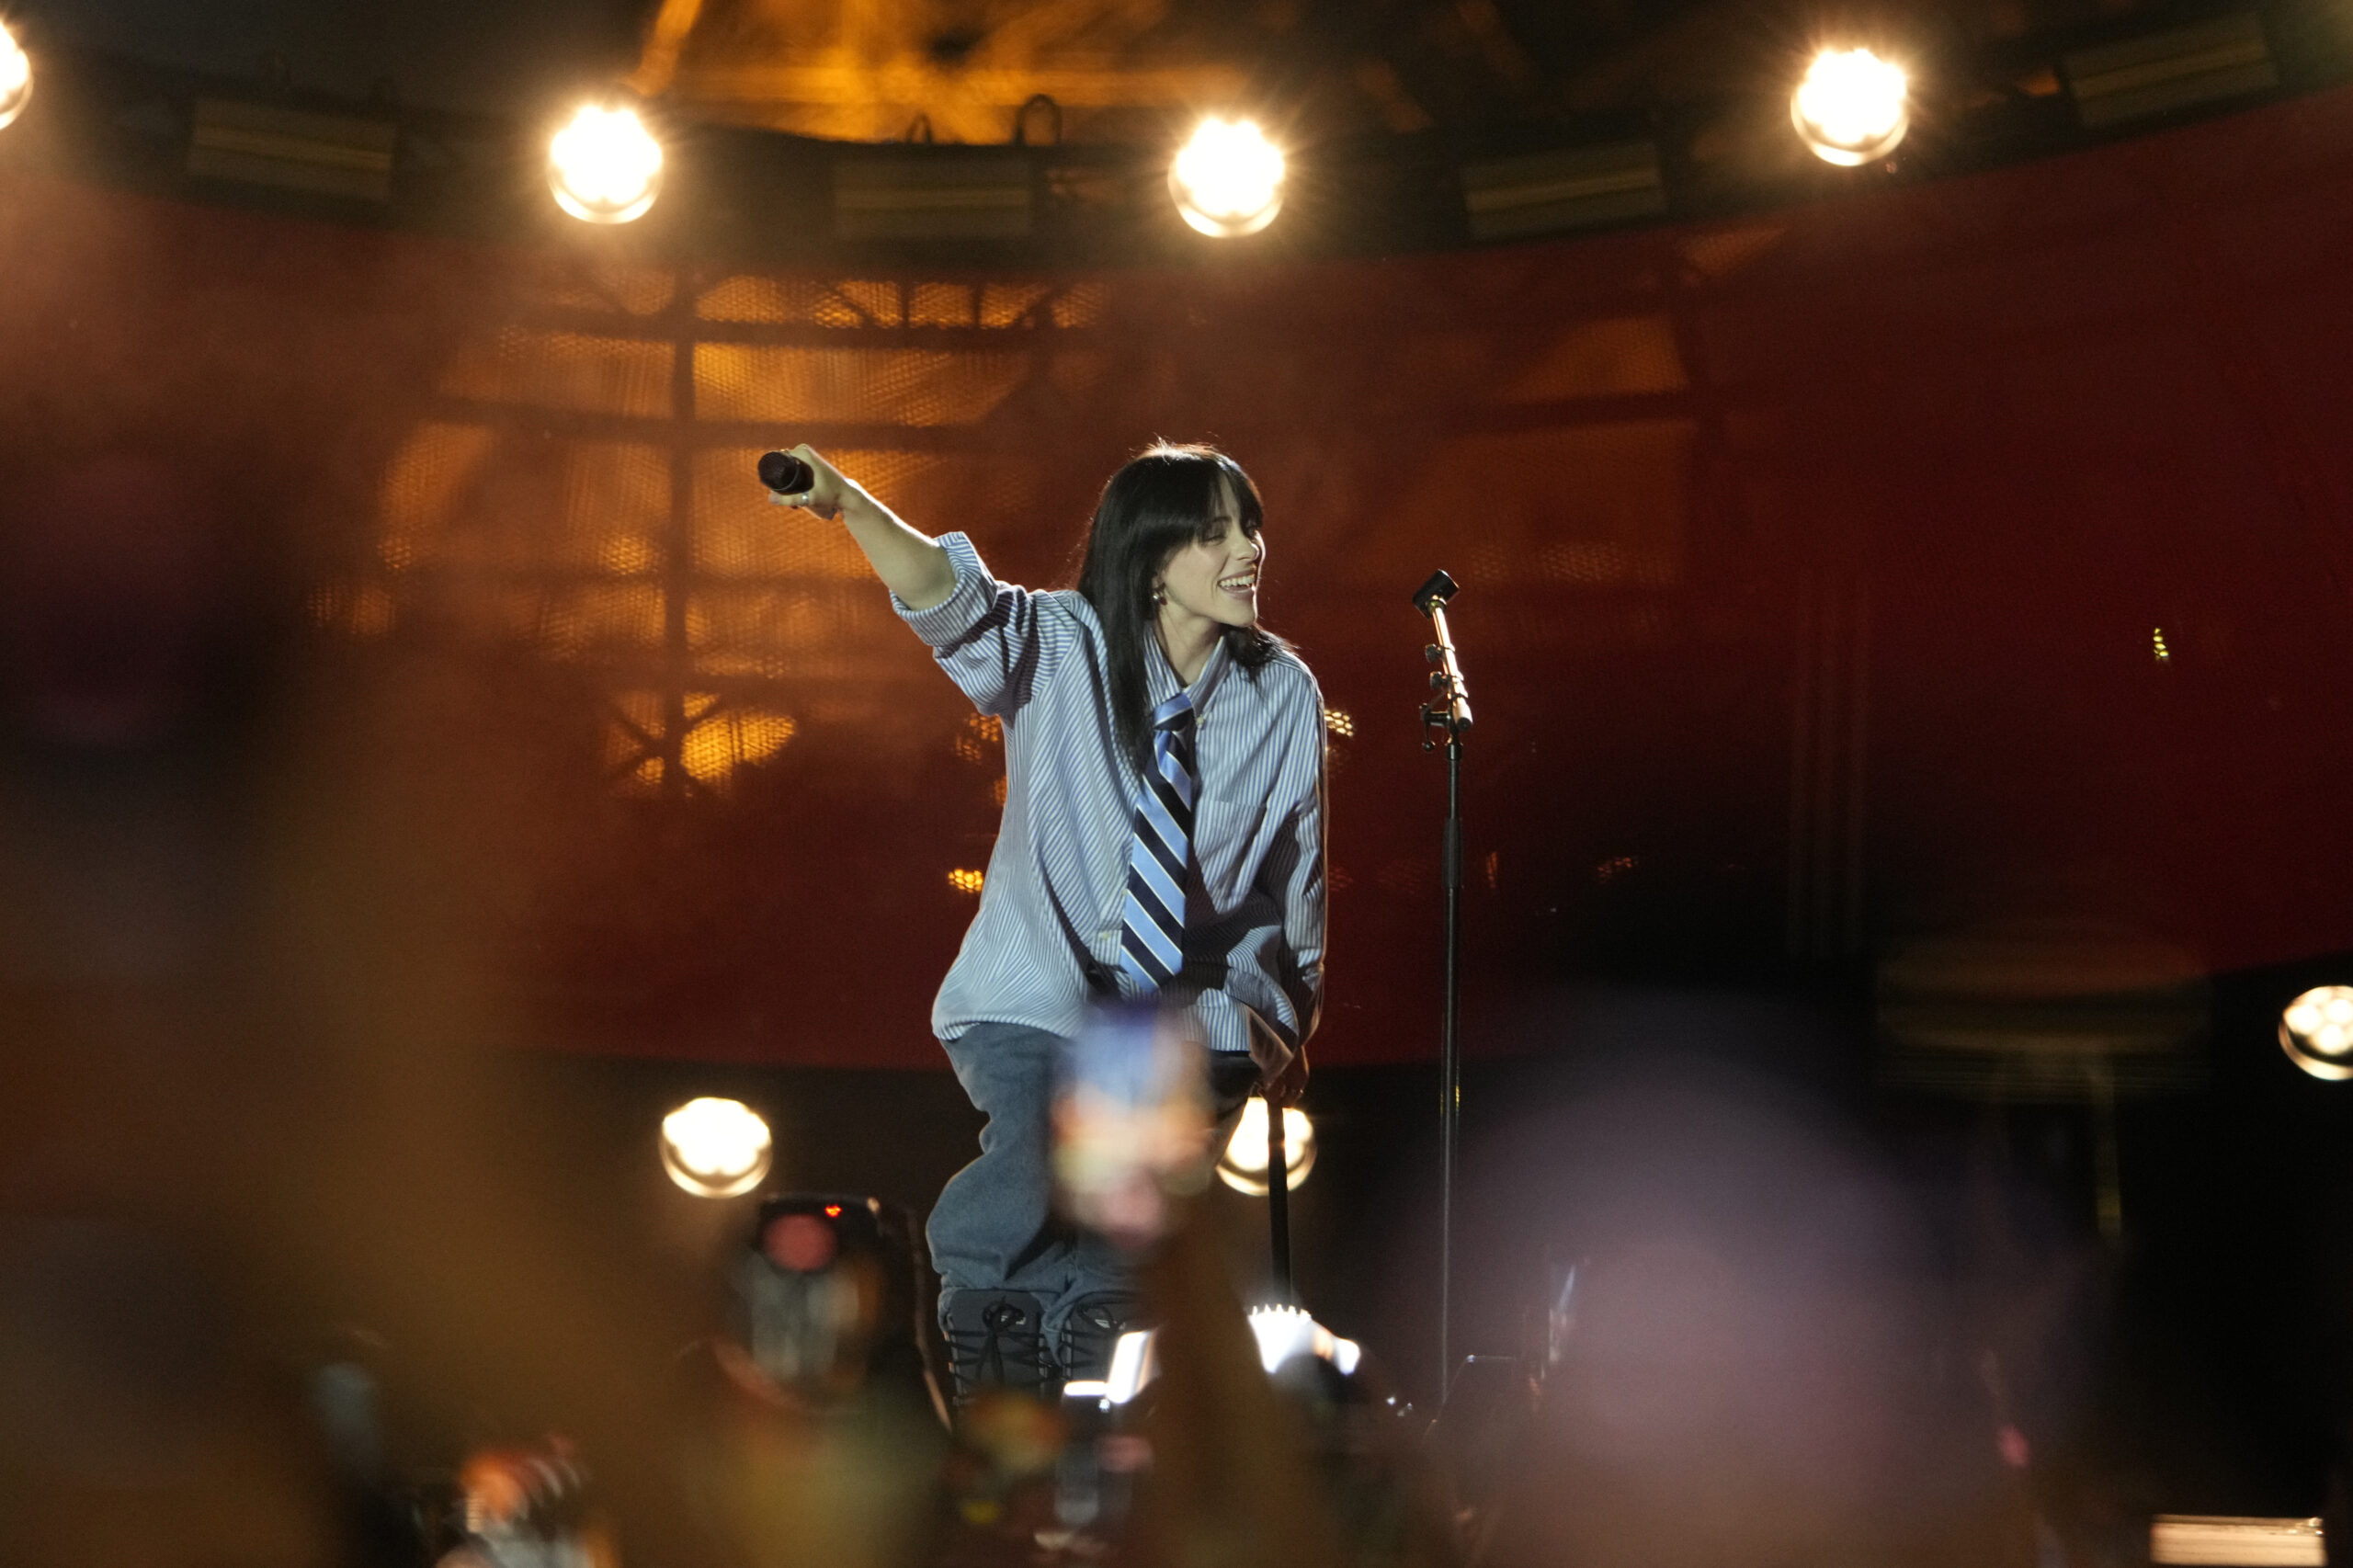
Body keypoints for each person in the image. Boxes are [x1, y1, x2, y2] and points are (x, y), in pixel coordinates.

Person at [769, 442, 1325, 1402]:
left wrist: (1289, 1022)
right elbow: (952, 594)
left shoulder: (1280, 693)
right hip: (1037, 987)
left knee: (1120, 1203)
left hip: (1173, 1009)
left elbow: (1296, 875)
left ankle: (1087, 1348)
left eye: (1251, 527)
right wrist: (849, 504)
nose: (1247, 551)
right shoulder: (1062, 641)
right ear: (1152, 559)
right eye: (1215, 531)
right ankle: (990, 1309)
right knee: (1037, 1139)